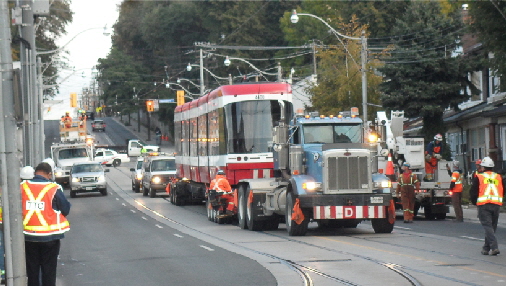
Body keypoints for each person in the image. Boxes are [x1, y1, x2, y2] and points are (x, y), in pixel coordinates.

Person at [22, 162, 71, 285]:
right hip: (49, 238)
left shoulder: (23, 186)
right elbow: (65, 209)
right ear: (49, 174)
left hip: (28, 237)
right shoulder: (53, 188)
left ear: (35, 173)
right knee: (48, 271)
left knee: (32, 271)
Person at [470, 156, 503, 256]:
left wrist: (474, 202)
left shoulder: (479, 177)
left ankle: (494, 247)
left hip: (484, 205)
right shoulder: (498, 176)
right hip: (496, 204)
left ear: (483, 167)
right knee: (491, 227)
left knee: (487, 226)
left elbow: (473, 192)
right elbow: (503, 189)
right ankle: (486, 248)